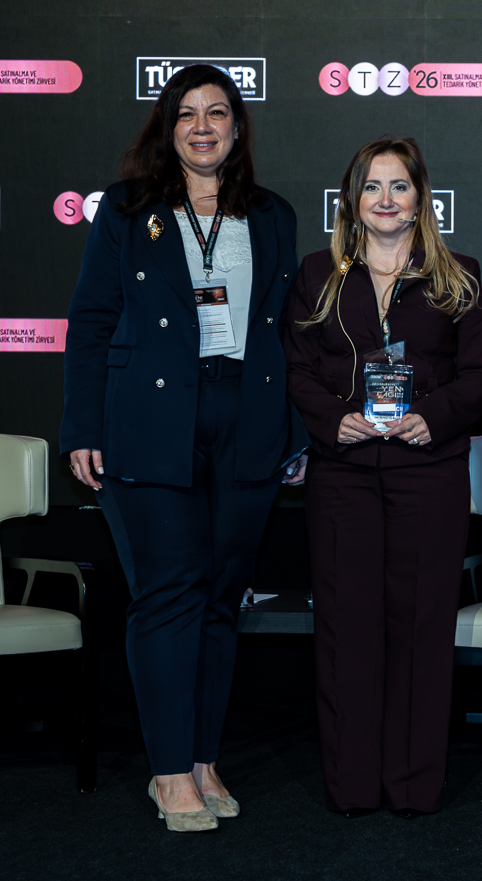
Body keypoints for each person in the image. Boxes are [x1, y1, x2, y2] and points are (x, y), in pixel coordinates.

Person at [60, 64, 305, 832]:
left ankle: (202, 759)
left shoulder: (272, 214)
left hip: (248, 419)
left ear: (237, 127)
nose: (203, 127)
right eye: (187, 114)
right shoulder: (128, 210)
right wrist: (83, 428)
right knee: (169, 593)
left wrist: (294, 431)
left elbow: (286, 331)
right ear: (167, 129)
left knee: (221, 600)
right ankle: (168, 772)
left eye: (217, 113)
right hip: (148, 419)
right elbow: (91, 320)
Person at [282, 137, 482, 817]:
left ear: (419, 199)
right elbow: (295, 369)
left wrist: (431, 416)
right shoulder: (317, 274)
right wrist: (333, 420)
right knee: (346, 628)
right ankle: (352, 786)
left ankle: (413, 785)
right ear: (352, 200)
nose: (385, 199)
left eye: (399, 186)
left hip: (428, 472)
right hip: (343, 474)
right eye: (372, 186)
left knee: (421, 629)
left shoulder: (458, 277)